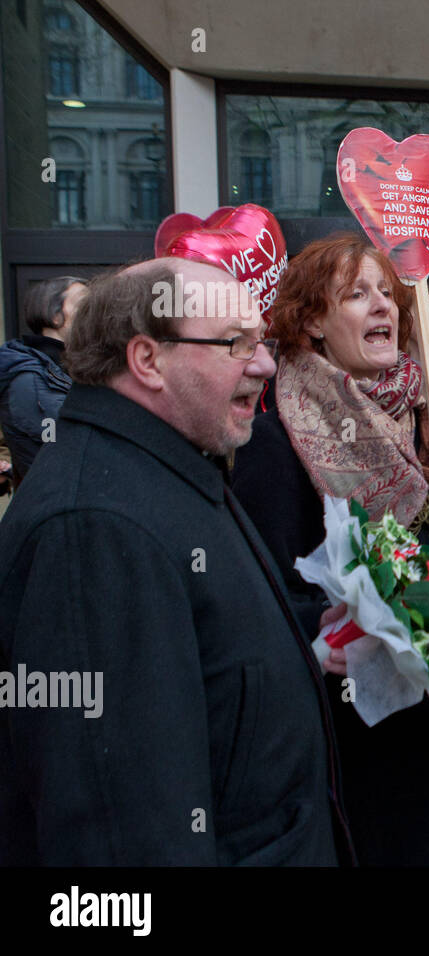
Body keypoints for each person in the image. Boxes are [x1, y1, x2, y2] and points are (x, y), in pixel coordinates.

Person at [0, 259, 350, 864]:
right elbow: (118, 835)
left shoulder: (174, 464)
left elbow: (203, 662)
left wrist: (303, 641)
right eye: (236, 342)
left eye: (260, 341)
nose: (264, 363)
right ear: (147, 360)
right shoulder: (94, 530)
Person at [231, 234, 429, 864]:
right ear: (313, 323)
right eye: (356, 294)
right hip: (353, 738)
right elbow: (265, 602)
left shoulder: (420, 422)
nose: (383, 306)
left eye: (387, 292)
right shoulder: (272, 444)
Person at [0, 275, 87, 485]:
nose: (95, 313)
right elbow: (77, 445)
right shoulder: (29, 378)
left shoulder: (74, 366)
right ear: (55, 316)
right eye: (85, 304)